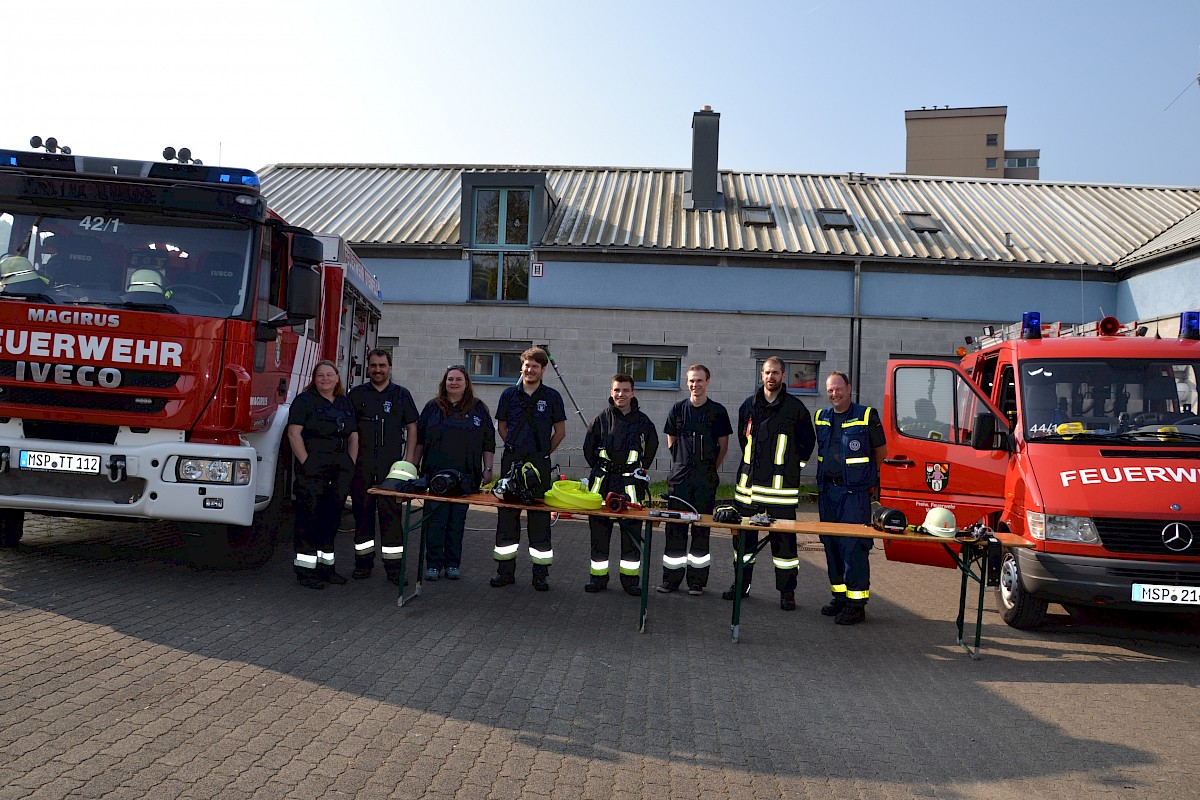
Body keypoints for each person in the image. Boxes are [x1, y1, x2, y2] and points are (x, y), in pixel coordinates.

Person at [726, 356, 816, 611]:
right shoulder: (748, 406)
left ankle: (787, 593)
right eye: (766, 372)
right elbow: (745, 444)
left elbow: (806, 445)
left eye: (775, 372)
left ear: (783, 376)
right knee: (742, 546)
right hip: (748, 492)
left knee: (785, 549)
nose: (770, 377)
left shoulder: (795, 409)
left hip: (781, 495)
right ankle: (741, 586)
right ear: (761, 375)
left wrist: (791, 470)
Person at [814, 371, 887, 625]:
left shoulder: (866, 415)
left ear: (849, 388)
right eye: (830, 390)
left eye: (838, 389)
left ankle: (857, 605)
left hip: (854, 494)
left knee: (853, 547)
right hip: (828, 493)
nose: (834, 394)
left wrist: (866, 479)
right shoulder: (821, 417)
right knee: (831, 546)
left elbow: (881, 451)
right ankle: (840, 597)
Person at [491, 347, 567, 592]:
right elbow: (501, 426)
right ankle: (505, 572)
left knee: (539, 519)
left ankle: (540, 575)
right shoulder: (508, 395)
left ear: (543, 369)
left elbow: (560, 432)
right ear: (521, 367)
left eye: (535, 366)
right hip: (511, 462)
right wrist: (512, 444)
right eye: (527, 365)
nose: (530, 370)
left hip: (539, 465)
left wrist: (543, 453)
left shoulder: (552, 397)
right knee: (507, 517)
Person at [410, 365, 496, 582]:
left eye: (459, 379)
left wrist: (488, 469)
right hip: (435, 475)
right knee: (435, 522)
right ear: (444, 383)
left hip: (466, 477)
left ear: (466, 383)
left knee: (456, 522)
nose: (454, 383)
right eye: (450, 379)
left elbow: (488, 442)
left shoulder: (478, 409)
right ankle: (433, 565)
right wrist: (413, 467)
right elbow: (419, 440)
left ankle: (452, 564)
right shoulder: (432, 407)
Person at [658, 364, 732, 595]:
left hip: (705, 482)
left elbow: (723, 446)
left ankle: (697, 582)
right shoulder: (678, 410)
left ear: (708, 381)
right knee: (675, 531)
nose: (695, 384)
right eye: (691, 380)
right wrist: (682, 465)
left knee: (701, 531)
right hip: (679, 482)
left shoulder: (717, 411)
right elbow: (671, 440)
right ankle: (671, 580)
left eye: (699, 380)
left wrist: (708, 470)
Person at [582, 374, 659, 596]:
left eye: (625, 390)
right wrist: (598, 467)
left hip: (630, 487)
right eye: (617, 390)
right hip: (603, 485)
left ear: (632, 392)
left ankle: (630, 581)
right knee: (599, 535)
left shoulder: (642, 420)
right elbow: (589, 446)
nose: (620, 394)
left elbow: (652, 443)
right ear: (611, 391)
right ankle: (597, 579)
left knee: (631, 537)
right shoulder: (601, 418)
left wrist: (643, 466)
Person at [347, 349, 419, 583]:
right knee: (363, 517)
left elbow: (412, 427)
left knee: (391, 520)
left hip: (392, 470)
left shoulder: (401, 395)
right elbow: (349, 431)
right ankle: (363, 565)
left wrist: (408, 462)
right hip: (362, 467)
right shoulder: (356, 395)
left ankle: (394, 570)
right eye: (374, 365)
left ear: (390, 368)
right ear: (368, 368)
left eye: (382, 366)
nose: (378, 370)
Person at [287, 360, 359, 590]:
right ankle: (306, 572)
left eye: (330, 375)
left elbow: (353, 436)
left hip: (339, 471)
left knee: (331, 520)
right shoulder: (304, 401)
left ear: (337, 378)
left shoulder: (344, 403)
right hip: (313, 470)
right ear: (314, 379)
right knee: (309, 519)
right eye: (320, 375)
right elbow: (293, 433)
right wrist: (307, 463)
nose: (325, 379)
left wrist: (350, 463)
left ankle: (327, 569)